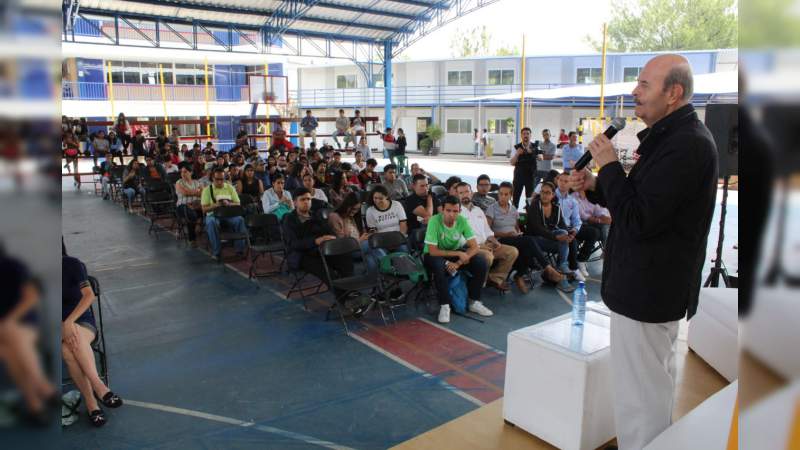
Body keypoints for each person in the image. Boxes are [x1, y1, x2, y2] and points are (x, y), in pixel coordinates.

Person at [568, 54, 718, 450]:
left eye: (645, 85)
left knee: (639, 401)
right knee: (651, 391)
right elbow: (645, 198)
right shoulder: (672, 138)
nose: (635, 91)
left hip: (648, 291)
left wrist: (609, 164)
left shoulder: (686, 146)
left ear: (674, 93)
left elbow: (638, 218)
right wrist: (596, 184)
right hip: (650, 288)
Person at [62, 251, 123, 428]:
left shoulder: (72, 264)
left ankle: (92, 403)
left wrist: (69, 322)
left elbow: (89, 295)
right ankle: (100, 389)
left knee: (68, 350)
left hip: (81, 320)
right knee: (69, 347)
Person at [0, 249, 59, 426]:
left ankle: (36, 406)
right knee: (8, 350)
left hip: (21, 322)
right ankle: (44, 390)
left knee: (12, 341)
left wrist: (9, 320)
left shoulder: (13, 266)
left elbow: (32, 296)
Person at [487, 182, 573, 293]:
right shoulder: (492, 209)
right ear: (498, 194)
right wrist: (506, 234)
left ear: (511, 195)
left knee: (528, 247)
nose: (503, 197)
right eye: (501, 194)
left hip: (514, 238)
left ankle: (520, 275)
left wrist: (517, 233)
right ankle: (549, 270)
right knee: (530, 240)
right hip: (500, 240)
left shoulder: (513, 209)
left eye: (506, 194)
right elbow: (488, 231)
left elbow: (516, 228)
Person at [282, 187, 356, 308]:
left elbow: (328, 232)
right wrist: (316, 241)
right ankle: (345, 300)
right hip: (301, 256)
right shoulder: (289, 219)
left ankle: (351, 292)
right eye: (302, 199)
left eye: (308, 199)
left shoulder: (316, 216)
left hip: (321, 250)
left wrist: (331, 238)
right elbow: (293, 244)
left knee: (345, 259)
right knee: (327, 271)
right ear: (295, 202)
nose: (306, 202)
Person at [423, 196, 493, 323]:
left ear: (459, 211)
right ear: (442, 210)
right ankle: (445, 306)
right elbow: (433, 250)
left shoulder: (461, 221)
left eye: (455, 211)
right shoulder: (434, 221)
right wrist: (457, 256)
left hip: (454, 255)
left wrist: (458, 262)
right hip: (433, 256)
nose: (451, 214)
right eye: (448, 210)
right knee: (440, 267)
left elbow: (475, 247)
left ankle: (474, 302)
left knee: (480, 262)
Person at [456, 182, 518, 292]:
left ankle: (494, 279)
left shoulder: (478, 210)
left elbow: (487, 231)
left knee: (512, 251)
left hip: (487, 244)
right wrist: (480, 247)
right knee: (488, 257)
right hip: (471, 248)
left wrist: (495, 241)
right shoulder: (456, 213)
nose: (464, 195)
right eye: (461, 193)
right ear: (457, 195)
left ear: (472, 193)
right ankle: (480, 284)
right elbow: (460, 240)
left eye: (466, 191)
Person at [555, 172, 599, 280]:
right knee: (572, 240)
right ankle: (573, 268)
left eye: (566, 181)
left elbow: (576, 220)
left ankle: (581, 260)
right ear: (557, 181)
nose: (563, 183)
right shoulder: (552, 196)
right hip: (556, 228)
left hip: (570, 228)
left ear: (570, 184)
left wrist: (575, 230)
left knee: (593, 232)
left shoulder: (572, 201)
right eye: (561, 180)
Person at [201, 168, 247, 260]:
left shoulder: (229, 187)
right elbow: (204, 209)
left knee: (240, 220)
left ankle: (239, 250)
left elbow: (238, 203)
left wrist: (229, 203)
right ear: (212, 179)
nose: (219, 181)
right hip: (213, 215)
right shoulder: (207, 190)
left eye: (222, 179)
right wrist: (216, 205)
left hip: (229, 215)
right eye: (217, 179)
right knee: (211, 223)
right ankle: (216, 252)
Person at [328, 192, 377, 272]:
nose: (355, 212)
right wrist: (360, 240)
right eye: (353, 209)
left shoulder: (353, 217)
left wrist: (368, 234)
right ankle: (391, 268)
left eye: (357, 209)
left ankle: (373, 279)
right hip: (348, 250)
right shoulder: (335, 217)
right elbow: (341, 242)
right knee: (373, 243)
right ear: (347, 205)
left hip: (360, 246)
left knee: (370, 255)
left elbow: (361, 233)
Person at [509, 127, 539, 208]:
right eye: (524, 134)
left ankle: (530, 217)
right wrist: (517, 154)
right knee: (515, 198)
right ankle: (514, 217)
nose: (526, 135)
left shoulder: (535, 146)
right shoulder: (516, 147)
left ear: (530, 135)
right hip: (519, 176)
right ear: (521, 135)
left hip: (531, 177)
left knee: (530, 199)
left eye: (527, 134)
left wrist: (533, 152)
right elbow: (512, 162)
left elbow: (541, 157)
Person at [175, 163, 203, 246]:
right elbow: (184, 193)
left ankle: (199, 223)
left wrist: (191, 192)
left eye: (185, 172)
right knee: (192, 215)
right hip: (183, 205)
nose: (183, 174)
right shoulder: (179, 182)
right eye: (182, 172)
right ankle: (192, 238)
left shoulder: (197, 182)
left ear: (191, 173)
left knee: (207, 210)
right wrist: (196, 192)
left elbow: (203, 193)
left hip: (197, 204)